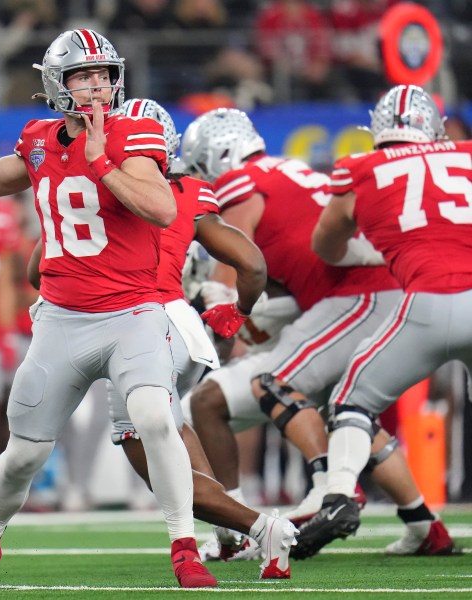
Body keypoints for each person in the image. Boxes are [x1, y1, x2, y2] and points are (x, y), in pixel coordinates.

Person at [0, 29, 216, 589]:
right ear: (58, 84)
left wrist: (102, 162)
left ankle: (184, 547)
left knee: (154, 416)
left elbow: (158, 207)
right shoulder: (37, 138)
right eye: (84, 76)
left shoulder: (135, 131)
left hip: (133, 312)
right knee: (24, 455)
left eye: (104, 74)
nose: (98, 86)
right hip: (61, 318)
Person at [27, 97, 299, 578]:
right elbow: (253, 263)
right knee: (172, 433)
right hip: (183, 328)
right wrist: (238, 311)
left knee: (152, 458)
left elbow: (37, 270)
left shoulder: (91, 180)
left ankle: (261, 528)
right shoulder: (191, 189)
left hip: (136, 323)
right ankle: (233, 533)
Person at [179, 107, 454, 559]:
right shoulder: (296, 171)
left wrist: (214, 310)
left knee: (266, 386)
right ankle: (424, 525)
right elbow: (289, 275)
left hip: (355, 297)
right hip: (371, 294)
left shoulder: (241, 184)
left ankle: (322, 491)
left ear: (216, 157)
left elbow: (234, 266)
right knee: (345, 409)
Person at [295, 84, 468, 558]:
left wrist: (377, 250)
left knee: (352, 399)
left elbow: (325, 246)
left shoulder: (362, 168)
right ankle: (421, 528)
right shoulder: (467, 154)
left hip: (427, 300)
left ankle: (339, 495)